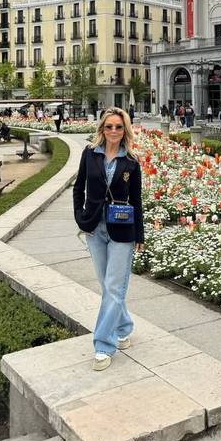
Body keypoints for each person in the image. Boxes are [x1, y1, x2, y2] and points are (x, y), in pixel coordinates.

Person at [73, 107, 144, 372]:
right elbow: (78, 187)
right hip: (94, 227)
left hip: (122, 231)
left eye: (118, 127)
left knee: (114, 288)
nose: (113, 131)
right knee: (106, 285)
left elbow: (136, 200)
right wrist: (81, 218)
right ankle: (124, 326)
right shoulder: (90, 154)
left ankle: (103, 344)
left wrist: (140, 234)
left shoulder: (132, 161)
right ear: (102, 129)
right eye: (108, 126)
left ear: (125, 130)